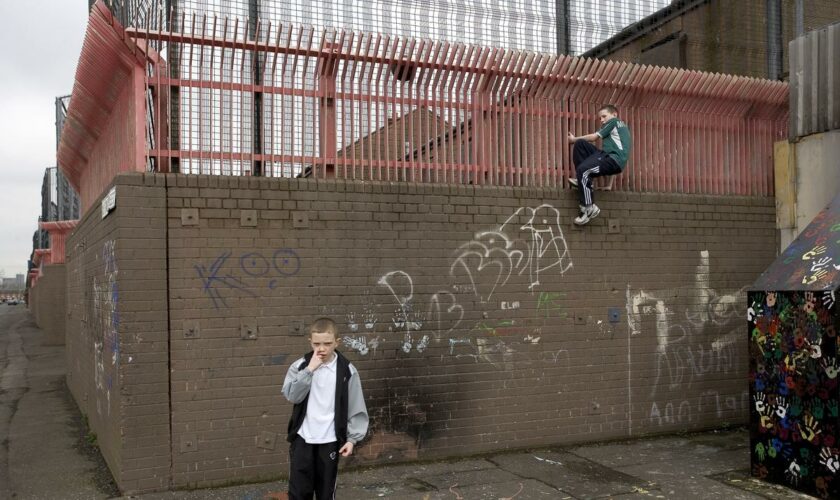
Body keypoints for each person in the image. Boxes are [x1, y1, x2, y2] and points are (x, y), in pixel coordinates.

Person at [283, 317, 369, 499]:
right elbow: (292, 396)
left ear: (337, 342)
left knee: (325, 493)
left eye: (327, 343)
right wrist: (309, 370)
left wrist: (352, 439)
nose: (321, 349)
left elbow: (356, 406)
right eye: (316, 344)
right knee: (299, 492)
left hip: (330, 440)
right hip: (303, 439)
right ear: (310, 342)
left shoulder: (347, 371)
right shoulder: (300, 366)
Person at [567, 104, 632, 225]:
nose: (602, 120)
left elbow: (593, 138)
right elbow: (619, 156)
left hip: (611, 160)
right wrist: (609, 185)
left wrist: (573, 139)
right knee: (581, 145)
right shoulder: (622, 127)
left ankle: (589, 206)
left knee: (583, 169)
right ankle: (583, 180)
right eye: (600, 118)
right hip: (611, 159)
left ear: (614, 114)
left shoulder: (613, 122)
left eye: (604, 116)